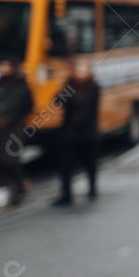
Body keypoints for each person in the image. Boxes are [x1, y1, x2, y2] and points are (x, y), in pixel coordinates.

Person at [52, 59, 101, 206]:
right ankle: (66, 195)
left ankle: (92, 188)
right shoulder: (69, 86)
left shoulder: (93, 87)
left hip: (87, 134)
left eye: (83, 69)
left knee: (89, 163)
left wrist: (79, 118)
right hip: (69, 134)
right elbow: (58, 101)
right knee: (65, 165)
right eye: (78, 69)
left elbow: (89, 108)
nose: (80, 73)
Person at [0, 57, 34, 206]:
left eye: (6, 65)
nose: (3, 68)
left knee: (11, 158)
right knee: (2, 159)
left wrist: (11, 119)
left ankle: (19, 187)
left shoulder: (21, 84)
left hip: (15, 127)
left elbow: (27, 105)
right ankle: (16, 186)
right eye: (2, 65)